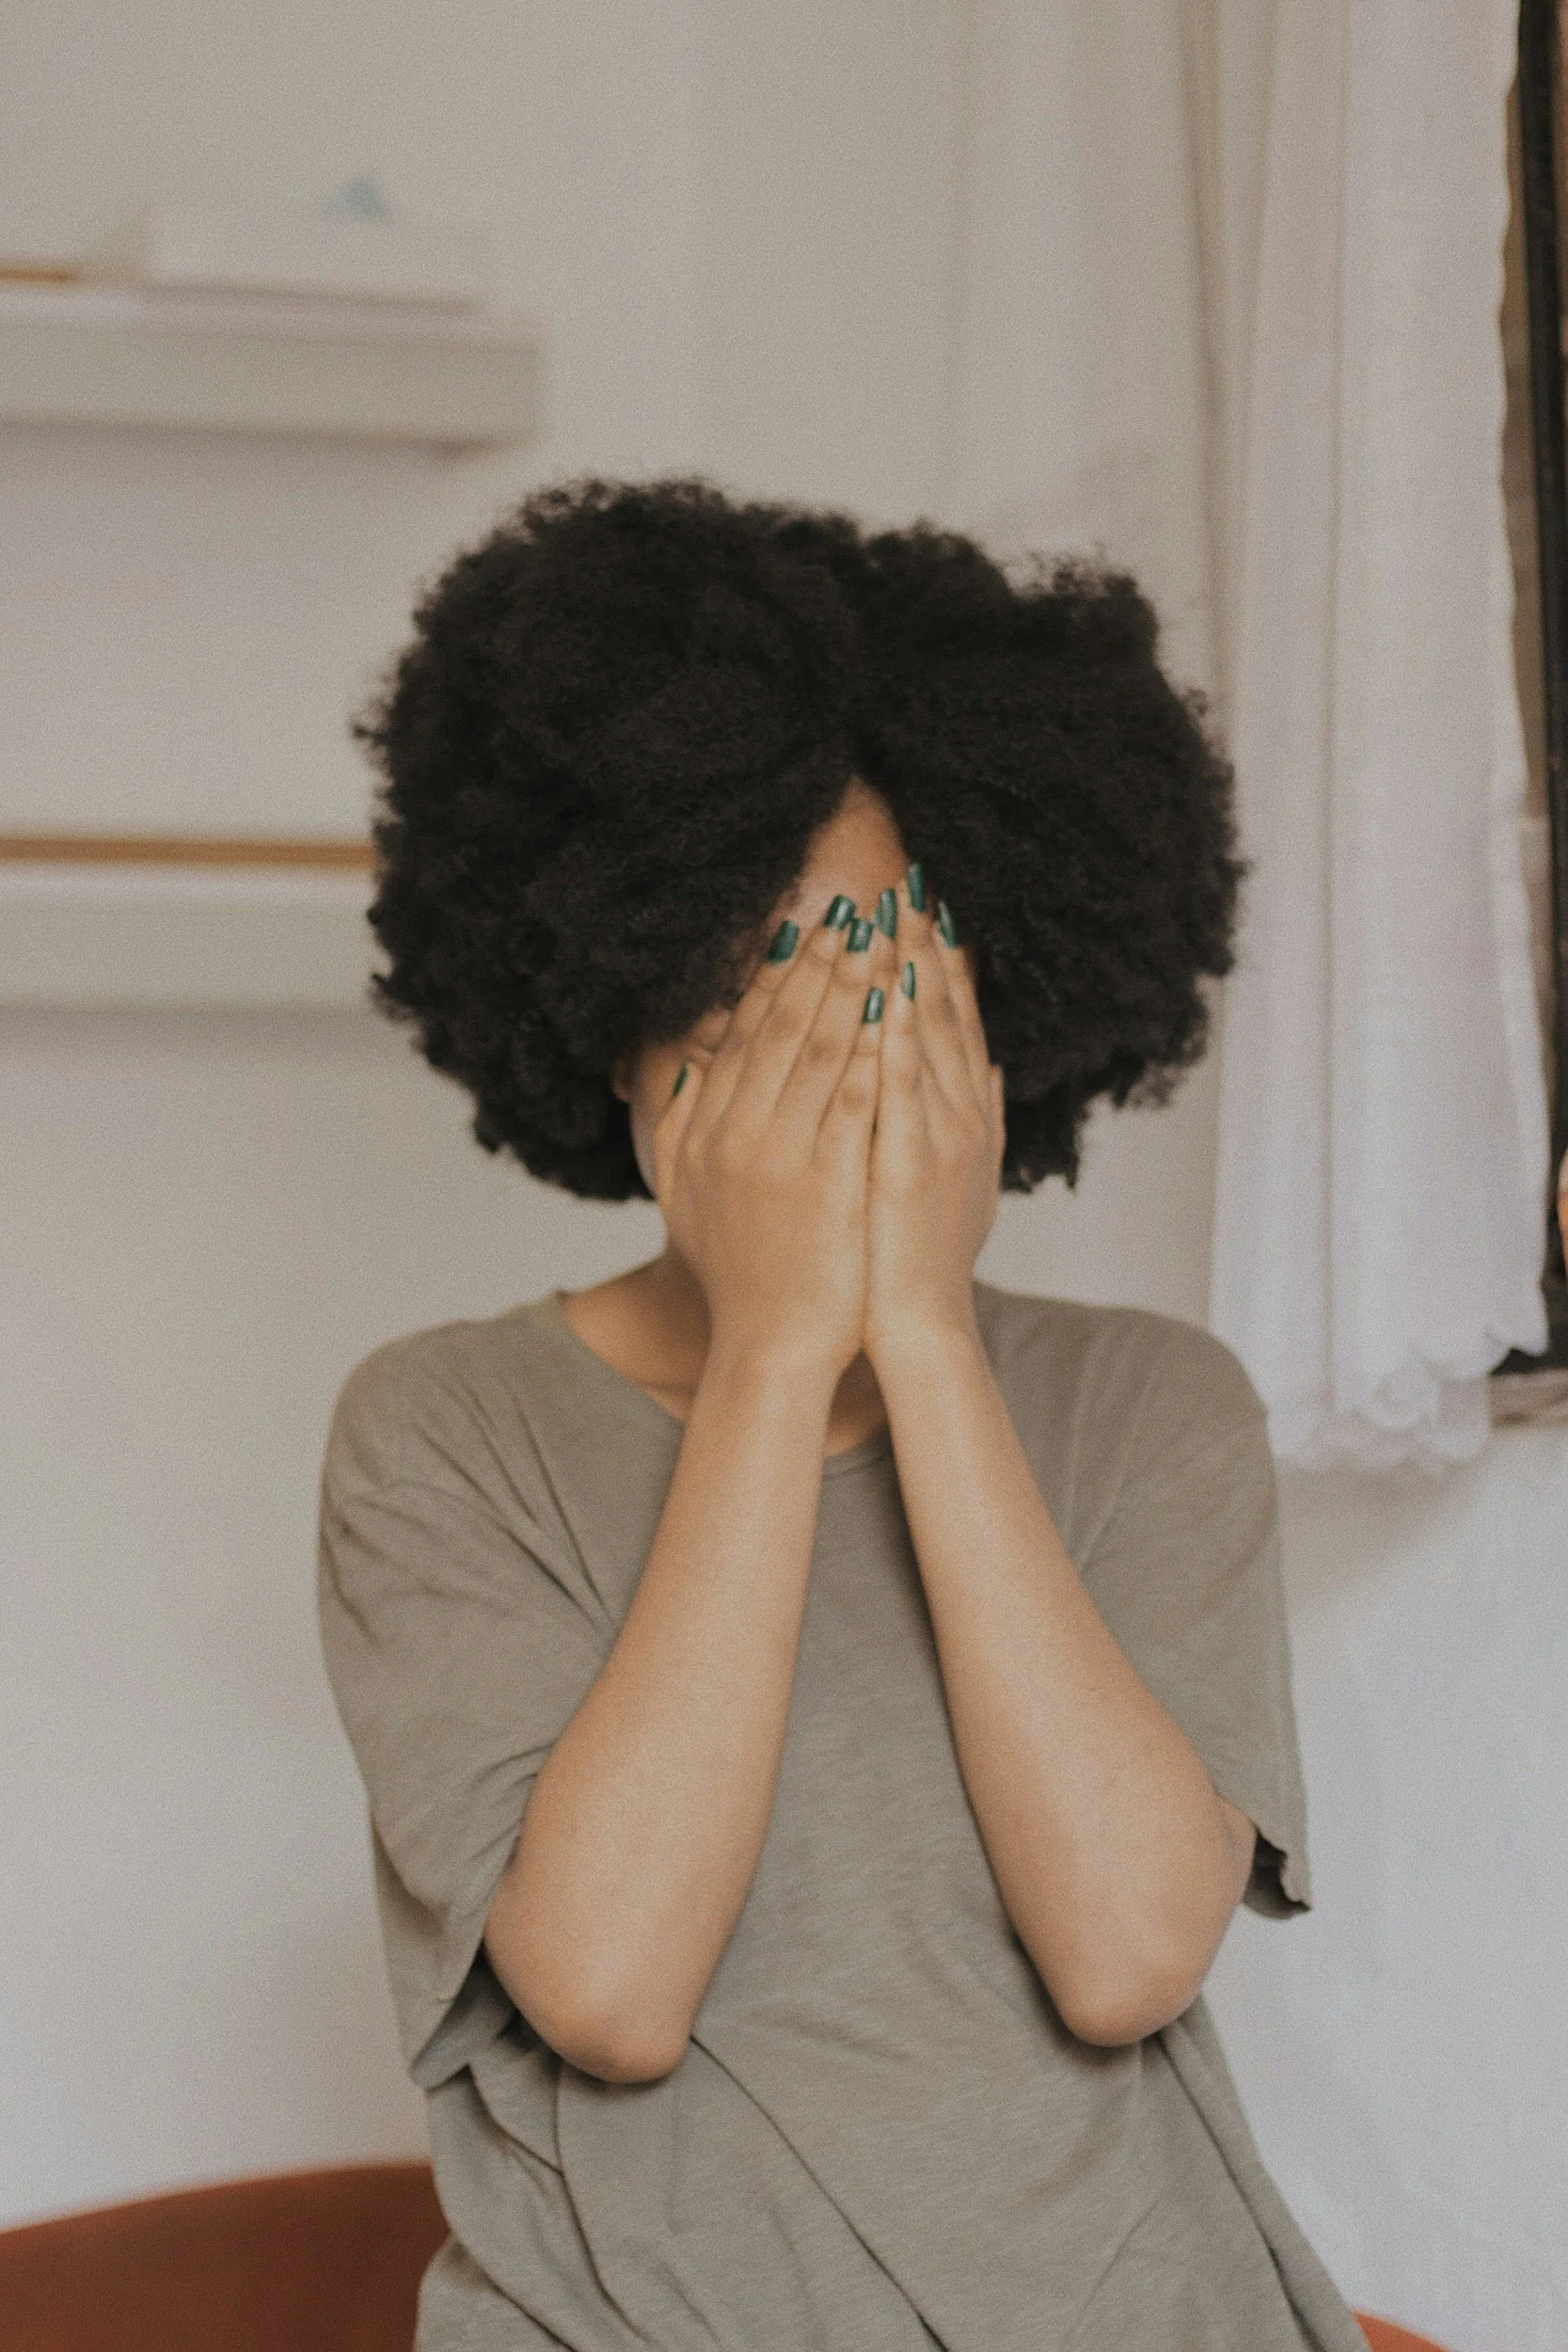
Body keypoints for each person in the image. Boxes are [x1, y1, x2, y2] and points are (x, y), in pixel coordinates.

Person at [317, 476, 1369, 2350]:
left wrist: (922, 1340)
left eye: (881, 980)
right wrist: (780, 1347)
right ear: (614, 1008)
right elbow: (612, 1987)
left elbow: (1126, 1952)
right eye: (746, 981)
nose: (816, 1052)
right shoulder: (442, 1428)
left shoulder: (1149, 1409)